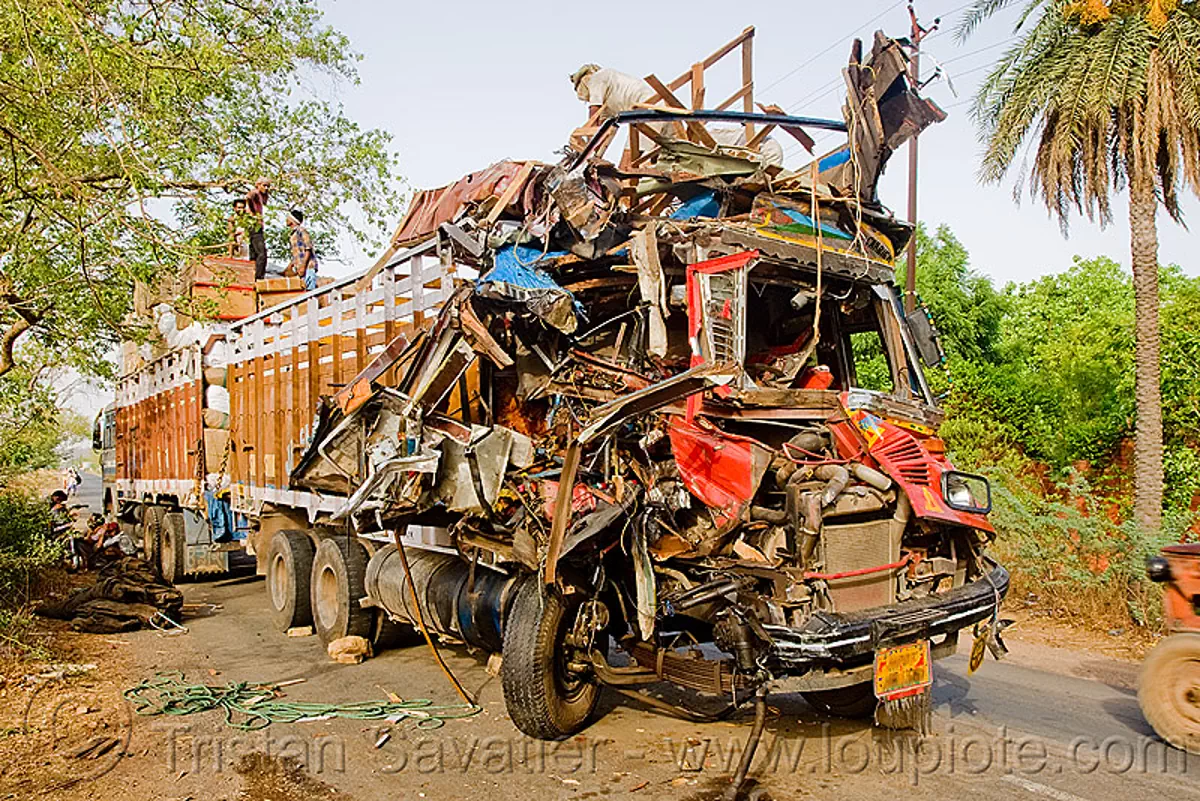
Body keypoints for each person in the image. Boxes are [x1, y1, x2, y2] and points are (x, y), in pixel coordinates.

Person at [286, 209, 319, 291]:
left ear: (292, 220)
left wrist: (303, 266)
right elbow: (296, 256)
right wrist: (288, 268)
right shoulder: (293, 235)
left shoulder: (301, 231)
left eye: (288, 217)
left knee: (310, 294)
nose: (286, 219)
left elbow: (308, 248)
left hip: (308, 267)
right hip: (301, 270)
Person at [245, 177, 272, 279]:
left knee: (254, 254)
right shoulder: (255, 192)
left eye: (267, 186)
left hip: (254, 226)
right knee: (262, 254)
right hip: (255, 225)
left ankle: (252, 275)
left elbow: (265, 201)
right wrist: (253, 213)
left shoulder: (261, 196)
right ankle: (259, 277)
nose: (266, 188)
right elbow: (248, 197)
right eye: (264, 185)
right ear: (258, 185)